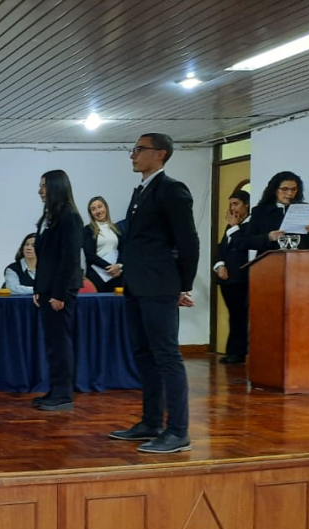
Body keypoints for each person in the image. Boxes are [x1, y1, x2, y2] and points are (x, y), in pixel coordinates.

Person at [109, 133, 200, 454]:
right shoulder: (141, 191)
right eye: (132, 149)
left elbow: (188, 241)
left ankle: (178, 431)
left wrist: (183, 284)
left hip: (160, 285)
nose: (132, 154)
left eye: (139, 149)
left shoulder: (172, 190)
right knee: (144, 355)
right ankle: (151, 422)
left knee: (167, 356)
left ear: (159, 154)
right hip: (137, 284)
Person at [32, 170, 84, 411]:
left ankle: (64, 394)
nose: (41, 190)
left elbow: (69, 258)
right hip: (47, 288)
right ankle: (55, 389)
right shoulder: (49, 217)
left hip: (60, 290)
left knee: (60, 342)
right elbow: (46, 258)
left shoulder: (69, 216)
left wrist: (59, 293)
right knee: (53, 343)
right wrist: (38, 288)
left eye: (44, 186)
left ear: (56, 187)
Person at [239, 171, 309, 252]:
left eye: (294, 189)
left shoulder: (305, 209)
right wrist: (268, 237)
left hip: (300, 260)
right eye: (285, 189)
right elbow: (246, 242)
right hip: (270, 261)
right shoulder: (260, 211)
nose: (289, 193)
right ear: (275, 190)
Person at [214, 190, 251, 364]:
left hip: (242, 277)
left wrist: (235, 226)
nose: (232, 208)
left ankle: (237, 352)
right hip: (227, 278)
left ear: (246, 205)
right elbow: (222, 248)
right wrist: (219, 264)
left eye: (236, 204)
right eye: (230, 204)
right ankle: (233, 351)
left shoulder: (250, 225)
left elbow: (243, 245)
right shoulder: (231, 225)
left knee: (240, 314)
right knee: (233, 314)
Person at [82, 196, 124, 292]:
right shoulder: (87, 230)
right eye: (93, 209)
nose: (97, 211)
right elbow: (89, 254)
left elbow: (123, 250)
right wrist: (110, 267)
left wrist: (118, 266)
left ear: (105, 207)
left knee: (118, 301)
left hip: (117, 275)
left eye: (100, 207)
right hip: (96, 276)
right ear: (91, 213)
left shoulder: (117, 229)